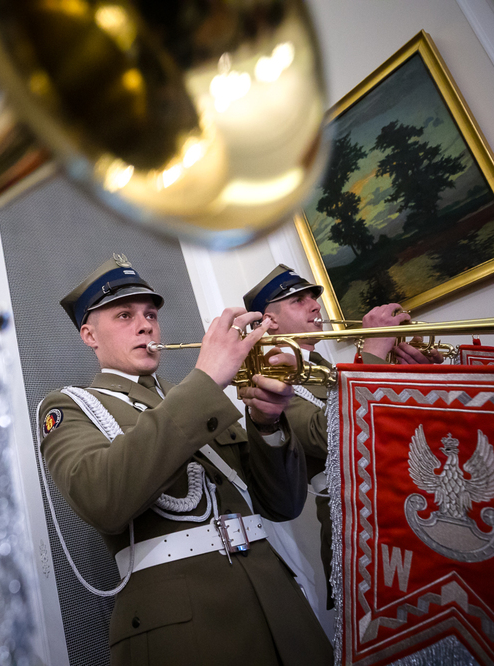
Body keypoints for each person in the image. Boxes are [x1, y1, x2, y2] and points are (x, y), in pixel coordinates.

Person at [38, 255, 333, 665]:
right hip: (188, 631)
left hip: (279, 606)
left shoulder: (193, 399)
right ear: (89, 335)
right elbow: (101, 499)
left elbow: (282, 504)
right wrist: (207, 381)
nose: (146, 325)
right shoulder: (71, 407)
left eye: (151, 315)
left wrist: (268, 422)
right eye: (124, 315)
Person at [243, 263, 443, 608]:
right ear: (269, 321)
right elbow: (329, 436)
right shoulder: (268, 370)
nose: (315, 306)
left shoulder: (322, 364)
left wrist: (415, 377)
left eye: (313, 298)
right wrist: (375, 351)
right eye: (298, 301)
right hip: (356, 526)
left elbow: (388, 430)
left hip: (399, 505)